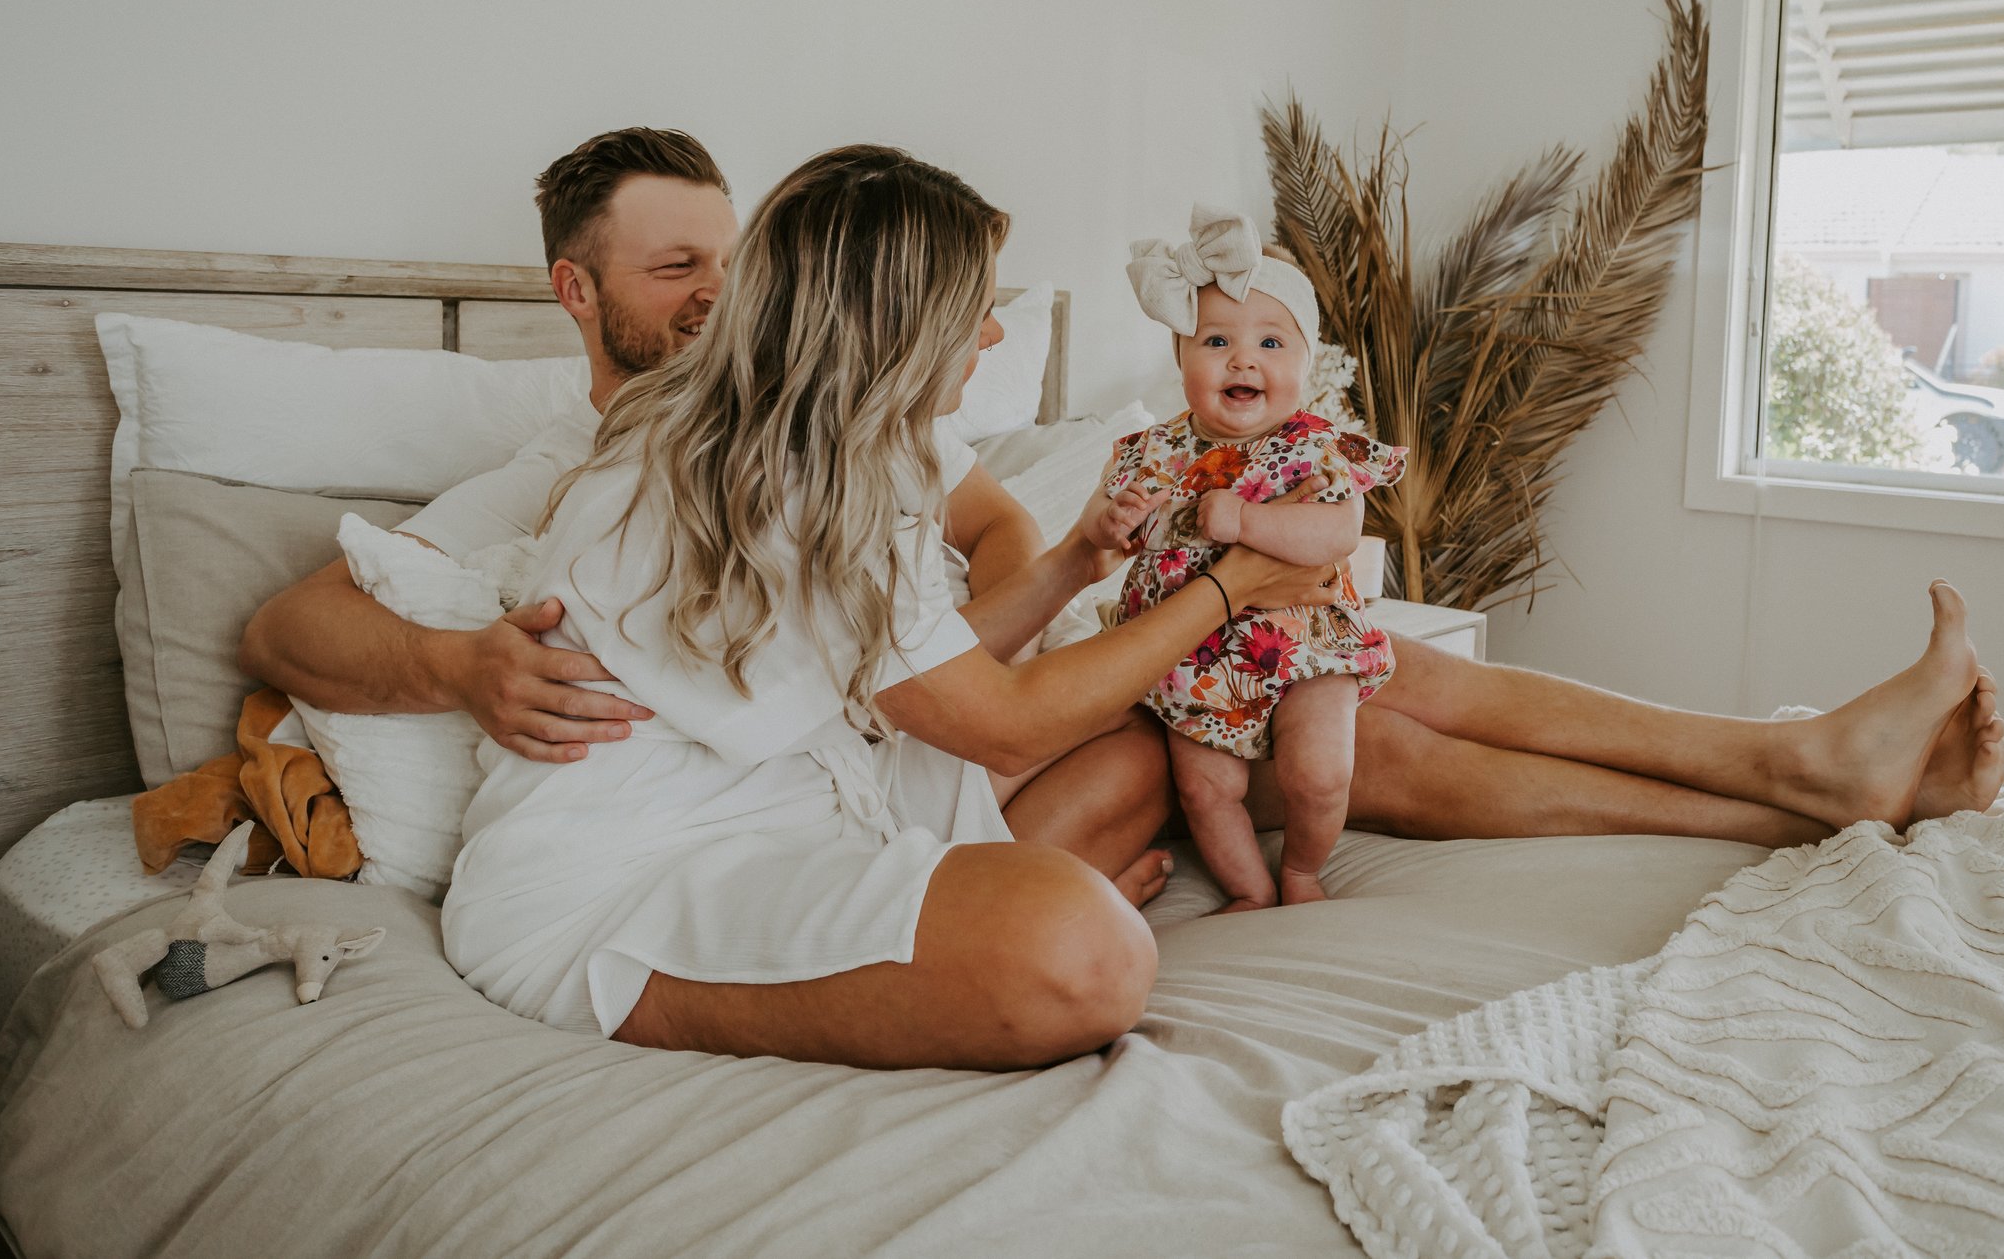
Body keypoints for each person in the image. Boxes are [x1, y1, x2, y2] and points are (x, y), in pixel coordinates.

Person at [243, 130, 2004, 889]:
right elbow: (290, 624)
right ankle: (1791, 785)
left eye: (737, 256)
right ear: (577, 292)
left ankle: (1792, 775)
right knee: (1303, 686)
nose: (719, 295)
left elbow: (976, 540)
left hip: (955, 698)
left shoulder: (843, 433)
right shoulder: (572, 467)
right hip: (898, 765)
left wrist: (1067, 558)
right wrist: (465, 665)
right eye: (673, 268)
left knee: (1350, 663)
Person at [443, 145, 1339, 1066]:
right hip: (608, 887)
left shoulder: (839, 451)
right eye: (975, 308)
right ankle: (961, 946)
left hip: (798, 797)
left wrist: (1075, 561)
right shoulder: (759, 478)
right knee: (1089, 952)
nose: (992, 333)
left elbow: (932, 665)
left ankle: (958, 936)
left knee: (1139, 726)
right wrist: (1232, 587)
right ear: (899, 324)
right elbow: (1007, 726)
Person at [1092, 209, 1407, 911]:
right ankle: (1251, 890)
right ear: (1181, 358)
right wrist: (1116, 522)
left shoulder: (1317, 445)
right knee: (1206, 788)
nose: (1243, 359)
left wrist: (1246, 519)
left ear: (1306, 361)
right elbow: (1111, 535)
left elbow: (1339, 532)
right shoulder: (1155, 450)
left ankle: (1302, 871)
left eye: (1270, 341)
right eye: (1215, 341)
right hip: (1189, 653)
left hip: (1306, 640)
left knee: (1320, 773)